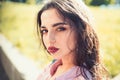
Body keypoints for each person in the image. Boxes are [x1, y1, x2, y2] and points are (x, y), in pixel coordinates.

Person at [36, 0, 108, 80]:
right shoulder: (53, 66)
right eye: (45, 31)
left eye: (60, 29)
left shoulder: (79, 77)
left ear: (81, 30)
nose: (49, 39)